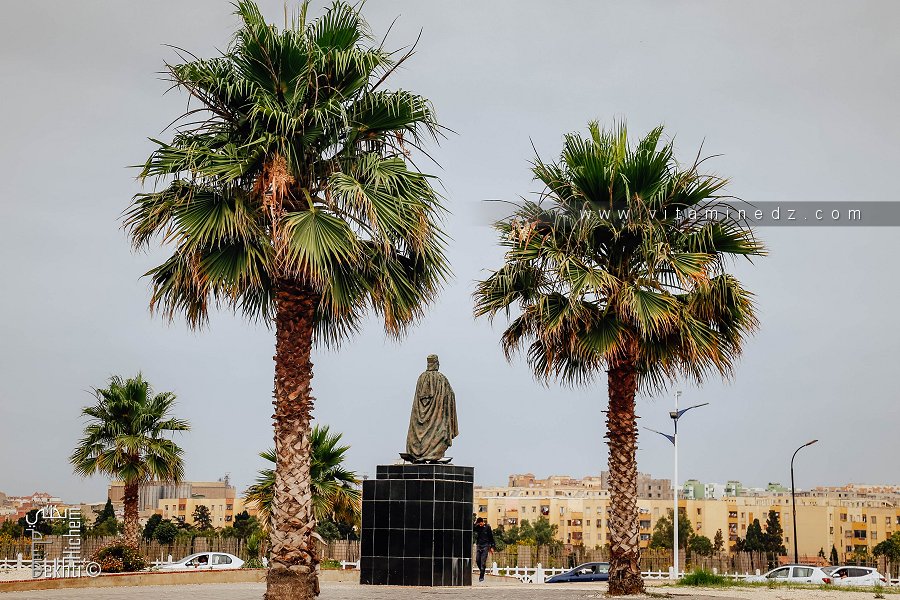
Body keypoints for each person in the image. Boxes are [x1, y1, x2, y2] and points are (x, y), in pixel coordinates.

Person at [473, 517, 495, 582]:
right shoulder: (478, 527)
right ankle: (482, 570)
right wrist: (475, 523)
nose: (480, 525)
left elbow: (491, 537)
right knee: (477, 560)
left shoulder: (487, 527)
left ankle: (481, 576)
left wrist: (492, 547)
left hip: (486, 546)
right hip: (479, 545)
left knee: (483, 561)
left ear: (482, 522)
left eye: (480, 524)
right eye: (479, 524)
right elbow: (472, 529)